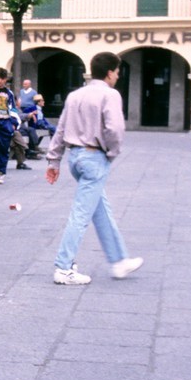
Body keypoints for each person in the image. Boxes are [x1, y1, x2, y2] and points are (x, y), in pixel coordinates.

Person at [45, 52, 141, 286]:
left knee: (100, 210)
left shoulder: (75, 95)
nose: (117, 76)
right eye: (117, 72)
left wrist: (54, 160)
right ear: (109, 73)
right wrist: (112, 153)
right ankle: (63, 267)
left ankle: (119, 260)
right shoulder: (110, 95)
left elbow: (60, 129)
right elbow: (115, 129)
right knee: (81, 214)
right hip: (94, 156)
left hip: (75, 157)